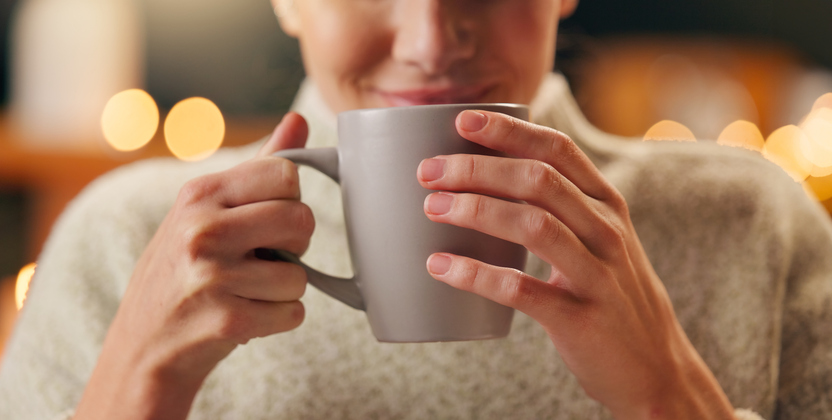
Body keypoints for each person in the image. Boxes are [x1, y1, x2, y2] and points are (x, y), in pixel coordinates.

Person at [1, 0, 831, 418]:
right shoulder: (122, 241)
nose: (431, 41)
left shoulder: (754, 226)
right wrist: (131, 393)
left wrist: (672, 398)